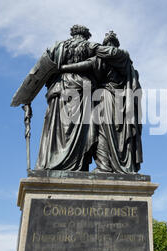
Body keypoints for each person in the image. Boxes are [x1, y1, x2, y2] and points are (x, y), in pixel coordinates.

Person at [59, 31, 143, 173]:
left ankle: (104, 166)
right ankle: (113, 165)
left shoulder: (115, 56)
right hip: (121, 101)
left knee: (101, 131)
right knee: (114, 134)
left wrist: (62, 68)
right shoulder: (126, 63)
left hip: (106, 98)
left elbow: (86, 65)